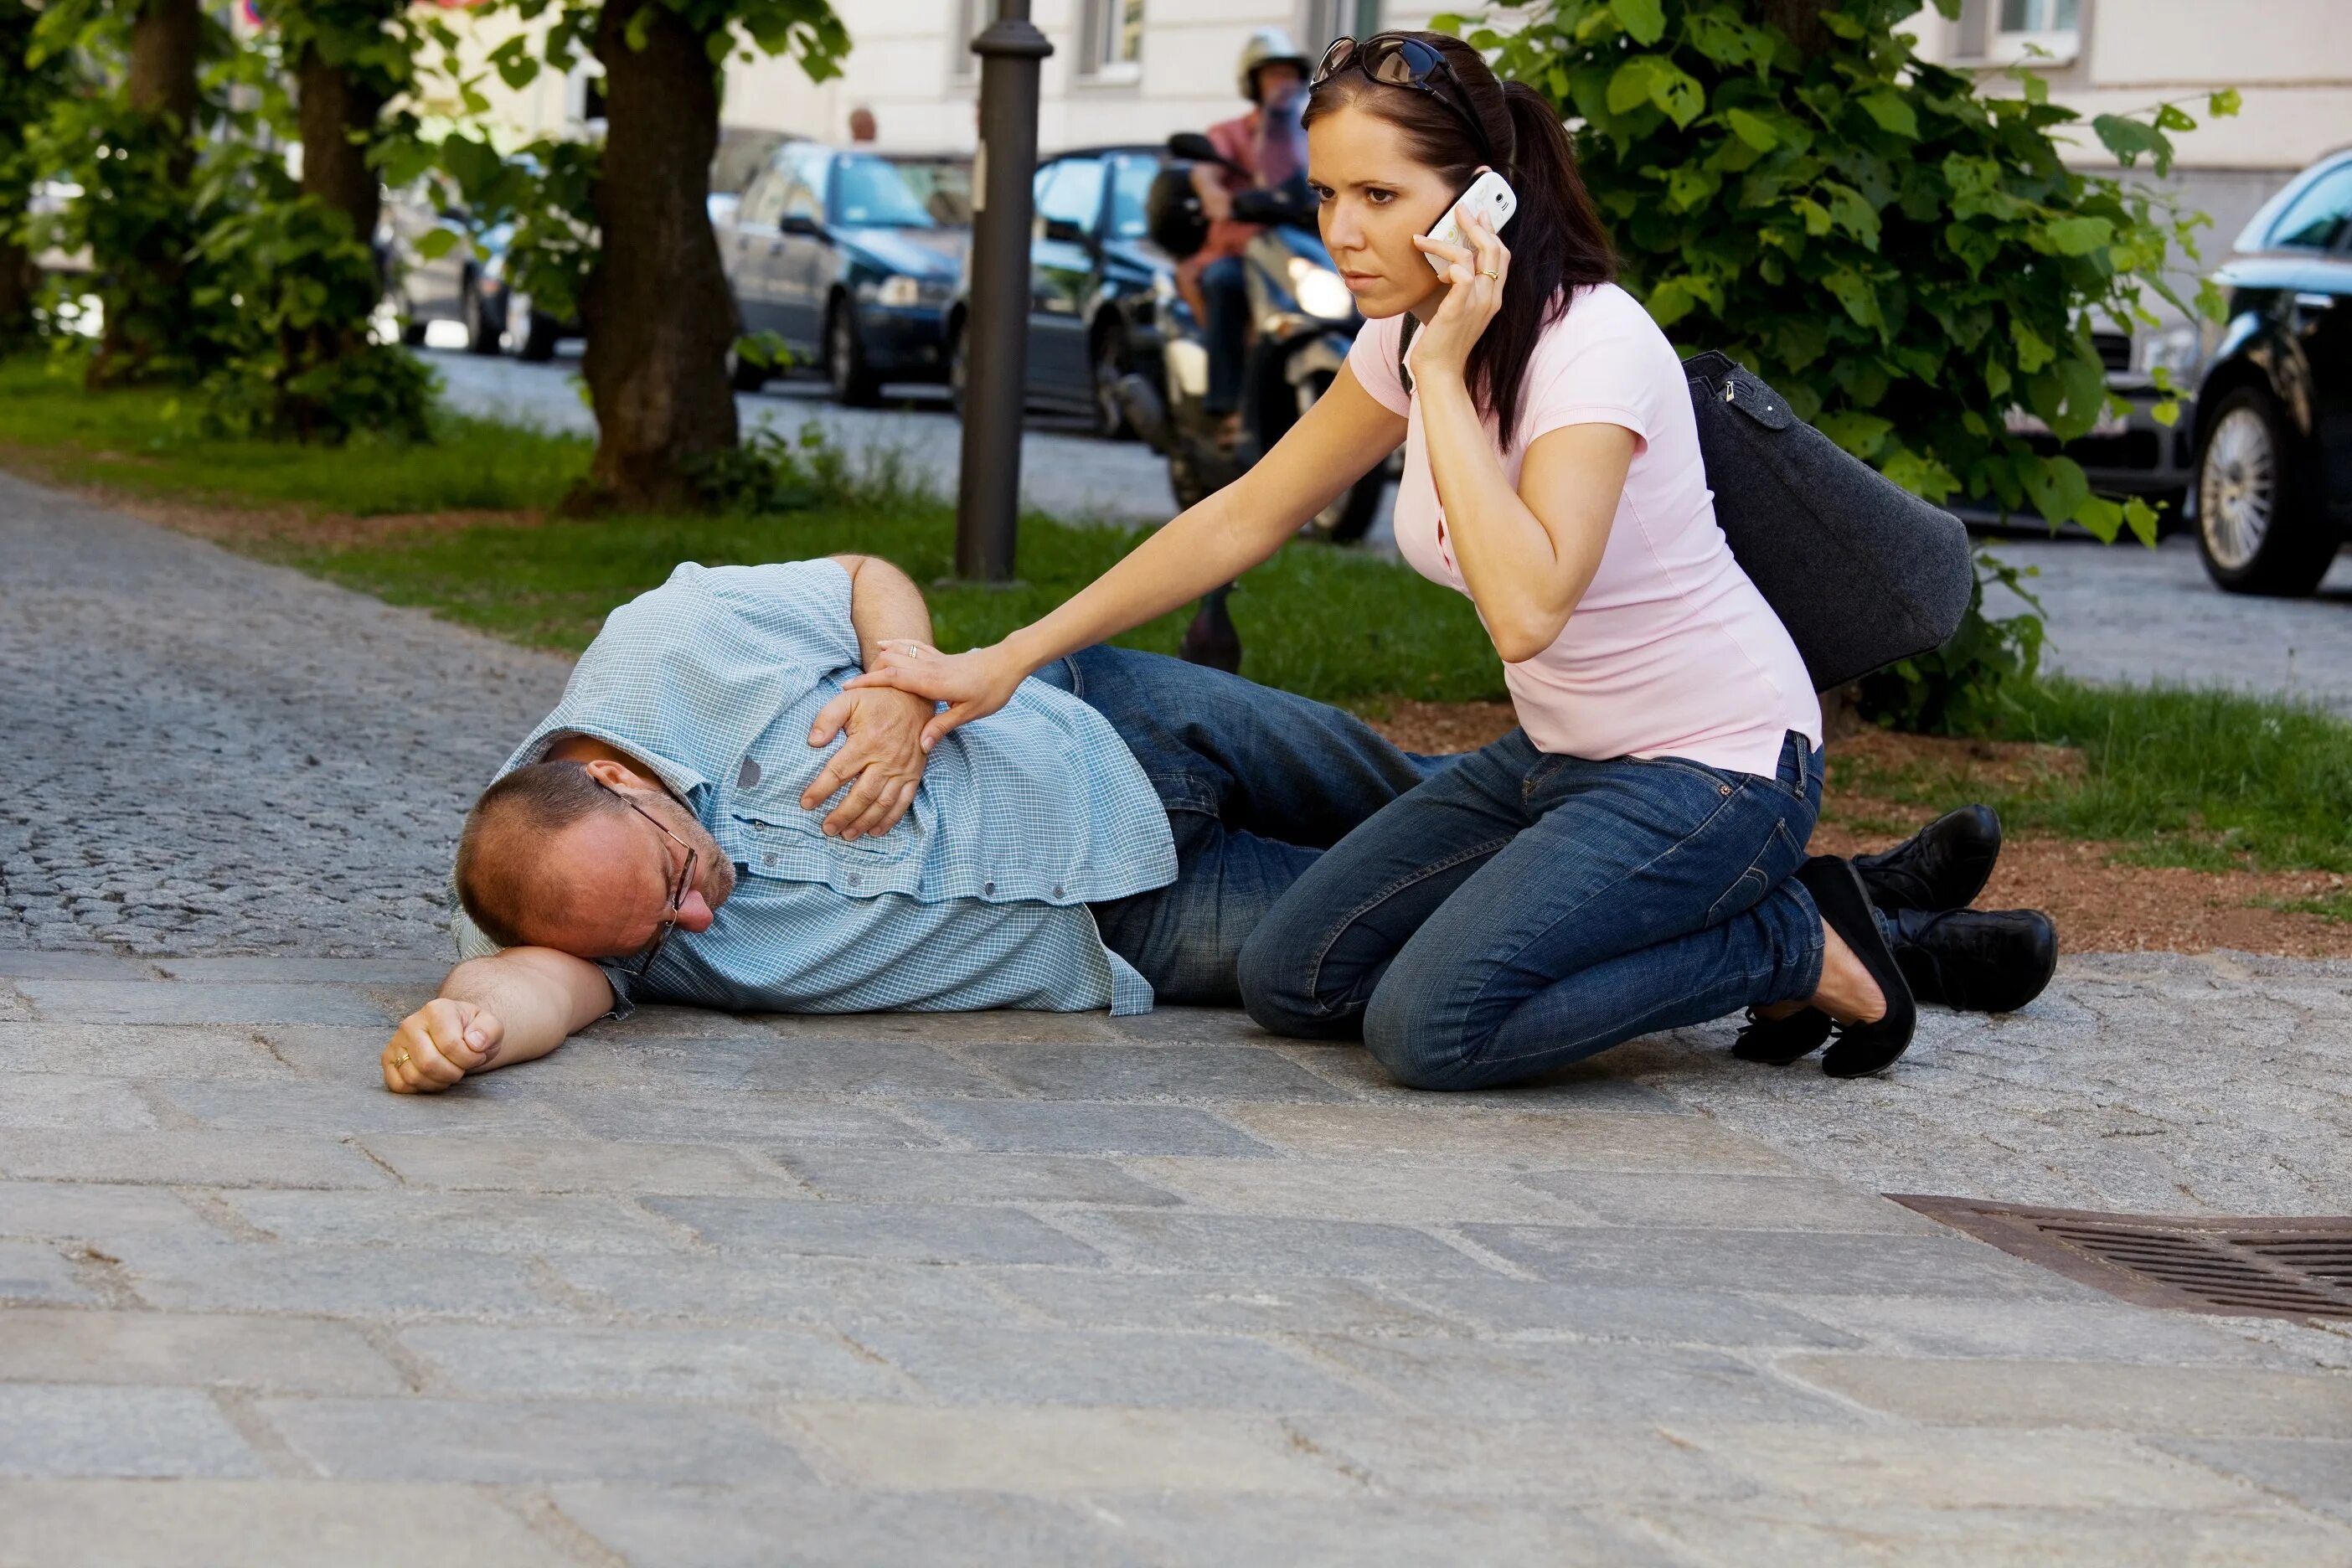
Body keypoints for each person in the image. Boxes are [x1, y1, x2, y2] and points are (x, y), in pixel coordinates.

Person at [845, 31, 2059, 1089]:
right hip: (1558, 759)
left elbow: (1528, 607)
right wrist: (1007, 657)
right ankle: (1784, 924)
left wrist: (1438, 376)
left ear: (1483, 199)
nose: (1344, 232)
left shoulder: (1593, 351)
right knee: (1293, 978)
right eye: (1326, 196)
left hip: (1715, 769)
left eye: (1379, 195)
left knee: (1433, 1028)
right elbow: (1244, 515)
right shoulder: (1412, 330)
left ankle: (1796, 946)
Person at [377, 554, 1444, 1093]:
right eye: (656, 938)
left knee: (1439, 797)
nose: (695, 920)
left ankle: (1615, 769)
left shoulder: (665, 645)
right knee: (1442, 897)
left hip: (1110, 720)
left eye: (674, 876)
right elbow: (513, 988)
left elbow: (864, 575)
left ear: (616, 775)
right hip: (1125, 925)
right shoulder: (554, 919)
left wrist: (895, 686)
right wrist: (460, 1036)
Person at [1184, 27, 1314, 447]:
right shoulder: (1230, 132)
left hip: (1295, 250)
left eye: (1289, 74)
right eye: (1272, 74)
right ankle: (1228, 404)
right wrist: (1214, 194)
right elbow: (1205, 172)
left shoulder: (1310, 132)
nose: (1282, 83)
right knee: (1225, 282)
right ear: (1253, 83)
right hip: (1241, 251)